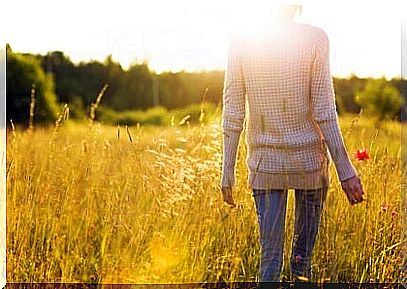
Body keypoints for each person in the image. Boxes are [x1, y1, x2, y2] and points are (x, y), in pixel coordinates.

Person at [220, 4, 365, 282]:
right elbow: (325, 111)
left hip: (266, 167)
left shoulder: (241, 41)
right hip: (309, 165)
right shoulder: (315, 39)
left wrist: (227, 172)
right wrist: (346, 171)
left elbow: (233, 112)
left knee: (270, 261)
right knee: (301, 265)